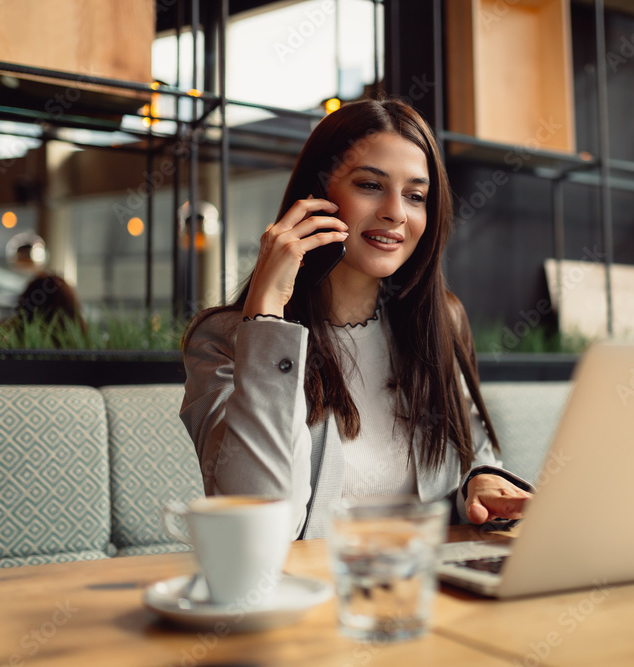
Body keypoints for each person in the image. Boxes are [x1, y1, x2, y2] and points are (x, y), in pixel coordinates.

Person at [180, 98, 532, 540]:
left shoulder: (442, 319)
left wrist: (478, 484)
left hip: (431, 586)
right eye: (370, 185)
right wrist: (266, 314)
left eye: (416, 196)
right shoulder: (224, 341)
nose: (396, 213)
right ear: (317, 196)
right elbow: (260, 522)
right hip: (313, 594)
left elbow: (473, 455)